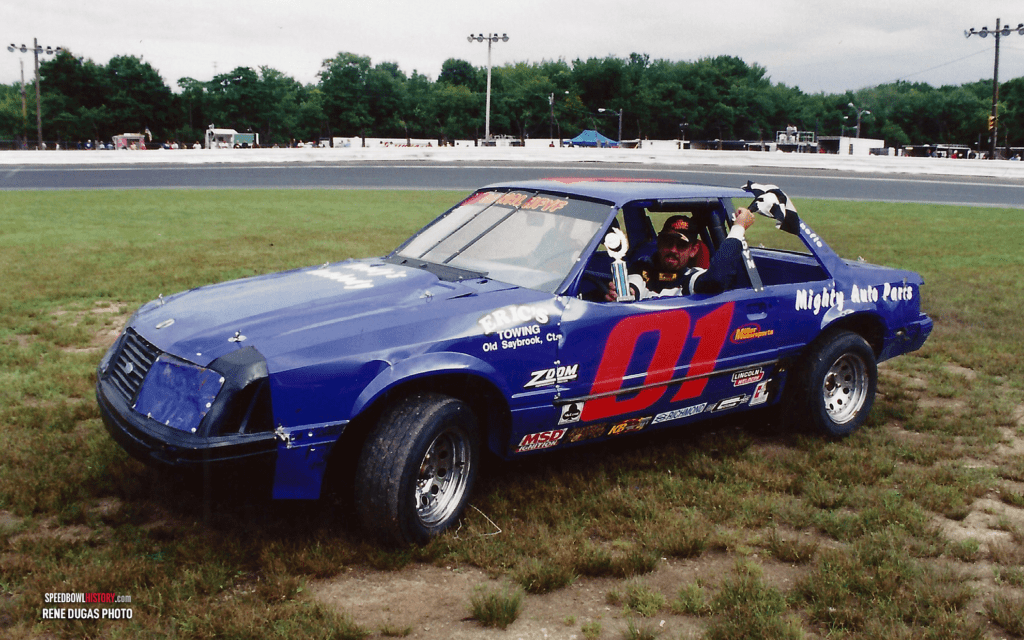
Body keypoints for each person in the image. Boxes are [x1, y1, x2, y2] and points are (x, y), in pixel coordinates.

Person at [606, 209, 756, 301]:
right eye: (667, 242)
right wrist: (621, 293)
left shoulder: (690, 277)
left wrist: (739, 227)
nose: (673, 250)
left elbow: (716, 279)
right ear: (659, 243)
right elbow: (633, 287)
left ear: (693, 250)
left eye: (681, 245)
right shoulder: (642, 268)